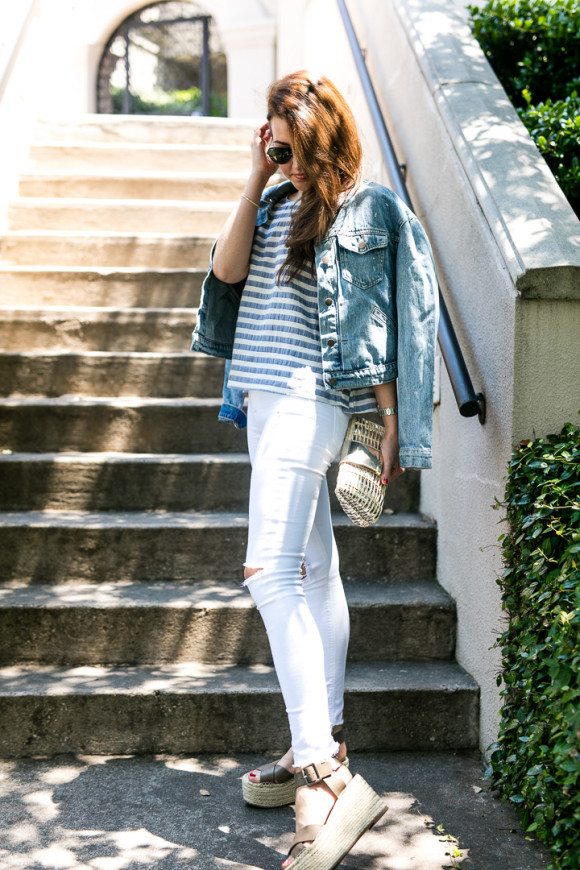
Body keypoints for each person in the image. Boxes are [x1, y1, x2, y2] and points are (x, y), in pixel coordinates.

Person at [191, 70, 438, 870]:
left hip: (313, 402)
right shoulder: (268, 203)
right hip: (263, 403)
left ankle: (323, 771)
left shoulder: (369, 210)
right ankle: (326, 735)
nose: (288, 159)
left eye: (295, 147)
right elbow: (226, 276)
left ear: (324, 133)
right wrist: (257, 175)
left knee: (268, 572)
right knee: (315, 570)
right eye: (276, 144)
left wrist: (394, 425)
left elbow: (400, 318)